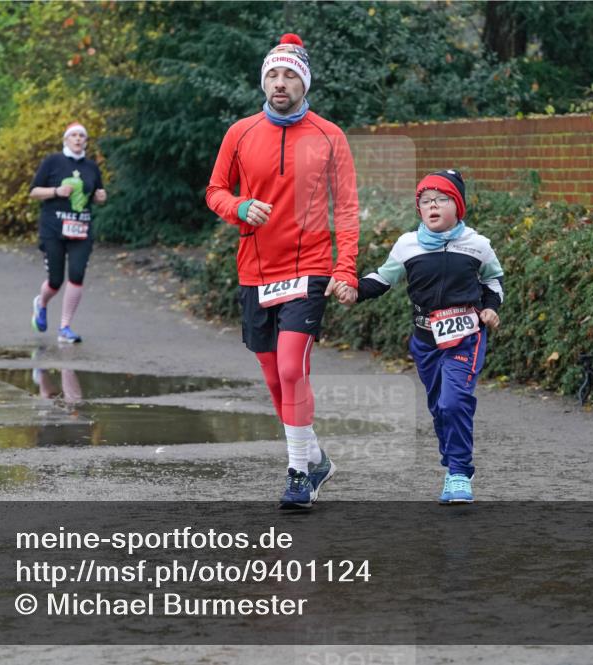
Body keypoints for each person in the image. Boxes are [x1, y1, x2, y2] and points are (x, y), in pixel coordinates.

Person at [206, 33, 360, 509]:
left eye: (289, 75)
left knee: (293, 367)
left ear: (304, 82)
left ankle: (298, 473)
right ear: (263, 81)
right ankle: (315, 457)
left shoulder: (330, 135)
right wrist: (239, 207)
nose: (280, 82)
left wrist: (346, 268)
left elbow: (348, 210)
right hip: (255, 271)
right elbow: (214, 191)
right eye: (273, 74)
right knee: (275, 378)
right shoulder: (240, 132)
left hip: (309, 268)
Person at [334, 170, 503, 504]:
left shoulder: (478, 245)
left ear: (458, 206)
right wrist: (354, 290)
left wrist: (490, 309)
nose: (433, 206)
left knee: (454, 401)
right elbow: (382, 279)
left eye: (441, 199)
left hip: (467, 336)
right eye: (425, 201)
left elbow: (493, 282)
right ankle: (455, 461)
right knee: (440, 407)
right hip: (425, 340)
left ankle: (457, 472)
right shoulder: (407, 245)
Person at [28, 122, 107, 344]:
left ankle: (65, 327)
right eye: (73, 135)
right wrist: (56, 191)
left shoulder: (91, 167)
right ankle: (41, 303)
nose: (78, 139)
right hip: (53, 229)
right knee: (55, 280)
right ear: (65, 140)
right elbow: (34, 192)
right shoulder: (53, 161)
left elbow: (98, 193)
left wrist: (101, 198)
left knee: (77, 275)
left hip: (81, 229)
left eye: (82, 136)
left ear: (86, 141)